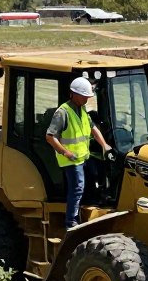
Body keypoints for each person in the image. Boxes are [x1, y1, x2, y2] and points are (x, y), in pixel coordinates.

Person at [45, 76, 111, 228]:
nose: (87, 100)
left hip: (82, 157)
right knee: (77, 188)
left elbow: (93, 128)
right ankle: (71, 222)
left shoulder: (81, 110)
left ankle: (89, 204)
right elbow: (50, 136)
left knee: (93, 176)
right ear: (74, 94)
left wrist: (104, 145)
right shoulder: (62, 113)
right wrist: (65, 152)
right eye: (85, 97)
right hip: (71, 160)